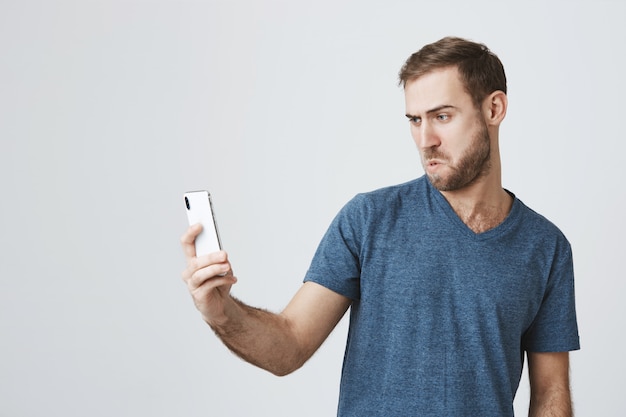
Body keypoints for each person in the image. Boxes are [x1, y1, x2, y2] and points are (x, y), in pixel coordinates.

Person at [180, 36, 580, 417]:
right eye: (414, 120)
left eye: (442, 116)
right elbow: (289, 345)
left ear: (494, 109)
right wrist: (222, 312)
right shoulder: (369, 219)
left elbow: (550, 393)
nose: (426, 139)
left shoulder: (546, 247)